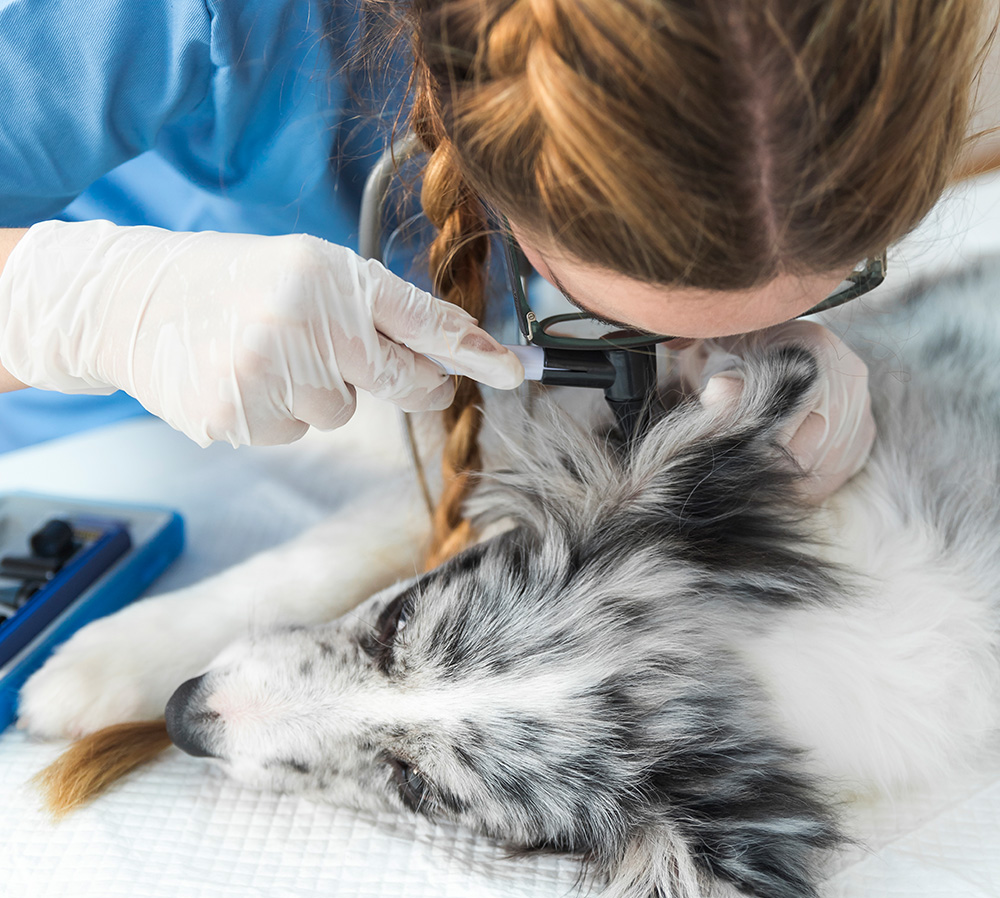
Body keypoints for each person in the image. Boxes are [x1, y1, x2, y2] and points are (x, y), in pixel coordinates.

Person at [0, 1, 987, 559]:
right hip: (86, 451)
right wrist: (76, 308)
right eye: (609, 300)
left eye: (842, 277)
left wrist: (751, 329)